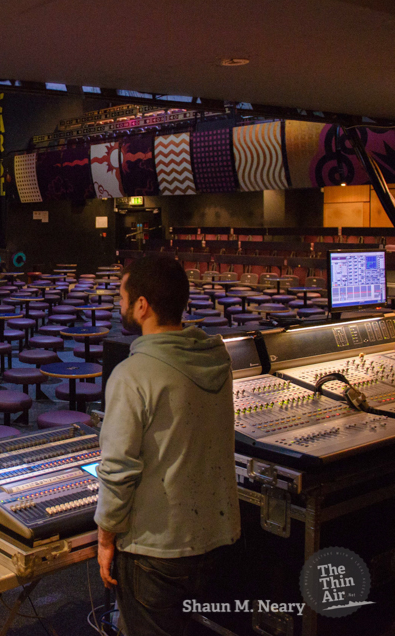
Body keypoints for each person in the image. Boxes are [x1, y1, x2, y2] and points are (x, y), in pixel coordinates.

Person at [96, 254, 240, 636]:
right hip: (213, 537)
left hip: (155, 549)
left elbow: (118, 468)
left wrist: (105, 536)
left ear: (142, 306)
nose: (120, 304)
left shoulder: (133, 374)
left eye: (123, 296)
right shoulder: (218, 359)